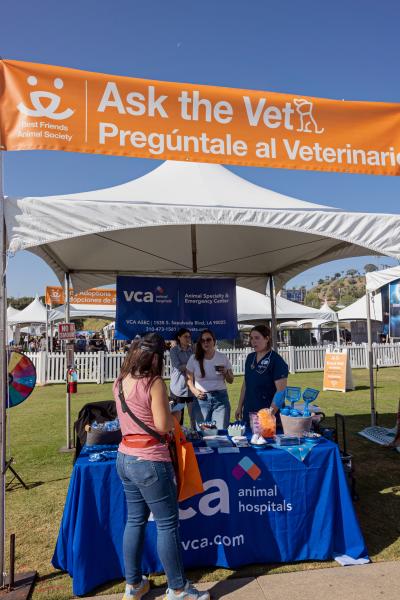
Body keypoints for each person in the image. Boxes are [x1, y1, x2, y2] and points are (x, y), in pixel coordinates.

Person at [113, 332, 209, 600]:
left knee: (135, 520)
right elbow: (163, 426)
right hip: (150, 459)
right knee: (167, 524)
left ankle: (133, 584)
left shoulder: (120, 381)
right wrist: (172, 412)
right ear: (156, 357)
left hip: (125, 456)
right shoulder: (154, 382)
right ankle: (178, 588)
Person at [235, 325, 288, 425]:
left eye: (257, 338)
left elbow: (281, 392)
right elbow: (246, 383)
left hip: (268, 415)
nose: (253, 341)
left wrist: (269, 415)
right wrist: (239, 406)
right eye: (251, 338)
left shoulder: (276, 360)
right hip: (249, 411)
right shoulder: (250, 358)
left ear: (267, 339)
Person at [186, 329, 234, 430]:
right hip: (202, 399)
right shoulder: (194, 358)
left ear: (214, 341)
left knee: (220, 433)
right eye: (203, 340)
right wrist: (194, 391)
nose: (205, 342)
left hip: (220, 399)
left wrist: (225, 372)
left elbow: (231, 380)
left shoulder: (222, 357)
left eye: (208, 340)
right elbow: (188, 379)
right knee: (203, 434)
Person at [169, 328, 194, 426]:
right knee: (177, 419)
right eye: (185, 336)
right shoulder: (174, 350)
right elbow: (178, 366)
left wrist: (189, 366)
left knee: (194, 418)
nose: (188, 339)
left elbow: (196, 365)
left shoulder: (193, 350)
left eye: (189, 336)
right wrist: (191, 365)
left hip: (191, 390)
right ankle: (178, 439)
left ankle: (193, 437)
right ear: (179, 338)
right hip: (177, 391)